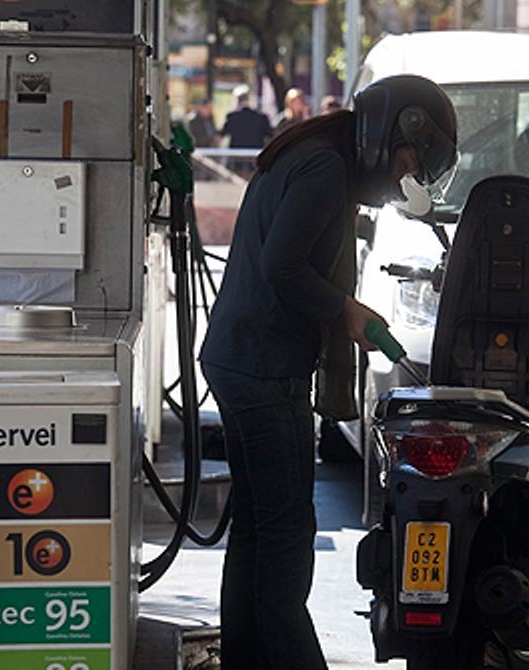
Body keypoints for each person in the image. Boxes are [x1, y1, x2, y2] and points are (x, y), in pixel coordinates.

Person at [198, 74, 458, 669]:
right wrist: (346, 311)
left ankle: (248, 658)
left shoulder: (317, 155)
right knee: (287, 534)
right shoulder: (323, 168)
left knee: (260, 530)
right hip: (263, 368)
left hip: (241, 358)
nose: (404, 179)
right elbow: (283, 266)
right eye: (410, 161)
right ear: (393, 131)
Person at [220, 84, 273, 149]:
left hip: (236, 155)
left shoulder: (232, 117)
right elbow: (270, 135)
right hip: (256, 154)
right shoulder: (262, 118)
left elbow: (221, 135)